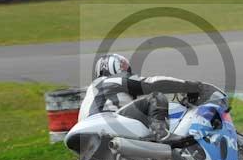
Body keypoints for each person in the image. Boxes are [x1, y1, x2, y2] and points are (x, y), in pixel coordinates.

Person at [79, 53, 220, 140]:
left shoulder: (90, 94)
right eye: (125, 69)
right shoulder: (111, 80)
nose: (128, 72)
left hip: (87, 136)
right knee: (156, 97)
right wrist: (191, 86)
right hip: (110, 121)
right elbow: (152, 84)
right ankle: (161, 133)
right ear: (114, 69)